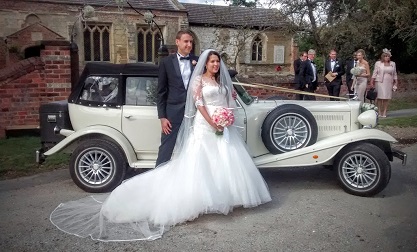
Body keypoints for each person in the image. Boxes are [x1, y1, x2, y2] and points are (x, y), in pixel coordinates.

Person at [49, 49, 271, 242]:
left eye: (217, 61)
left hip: (224, 125)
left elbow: (229, 101)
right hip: (206, 124)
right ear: (205, 63)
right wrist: (214, 122)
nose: (215, 64)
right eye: (211, 61)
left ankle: (227, 197)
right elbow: (199, 103)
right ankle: (197, 200)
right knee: (200, 161)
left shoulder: (222, 81)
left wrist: (227, 114)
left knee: (225, 159)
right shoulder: (199, 80)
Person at [156, 30, 198, 167]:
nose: (189, 44)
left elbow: (213, 75)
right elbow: (161, 91)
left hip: (195, 114)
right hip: (172, 114)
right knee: (166, 150)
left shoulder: (197, 61)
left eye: (191, 42)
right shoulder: (166, 62)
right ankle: (158, 179)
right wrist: (162, 117)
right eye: (186, 41)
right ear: (177, 42)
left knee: (192, 149)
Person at [370, 48, 398, 118]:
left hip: (388, 82)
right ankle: (379, 111)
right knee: (380, 97)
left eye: (388, 56)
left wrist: (396, 82)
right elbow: (374, 73)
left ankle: (385, 111)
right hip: (379, 82)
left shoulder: (393, 64)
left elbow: (394, 73)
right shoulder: (378, 63)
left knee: (386, 97)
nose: (387, 57)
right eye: (385, 56)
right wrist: (372, 81)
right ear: (382, 57)